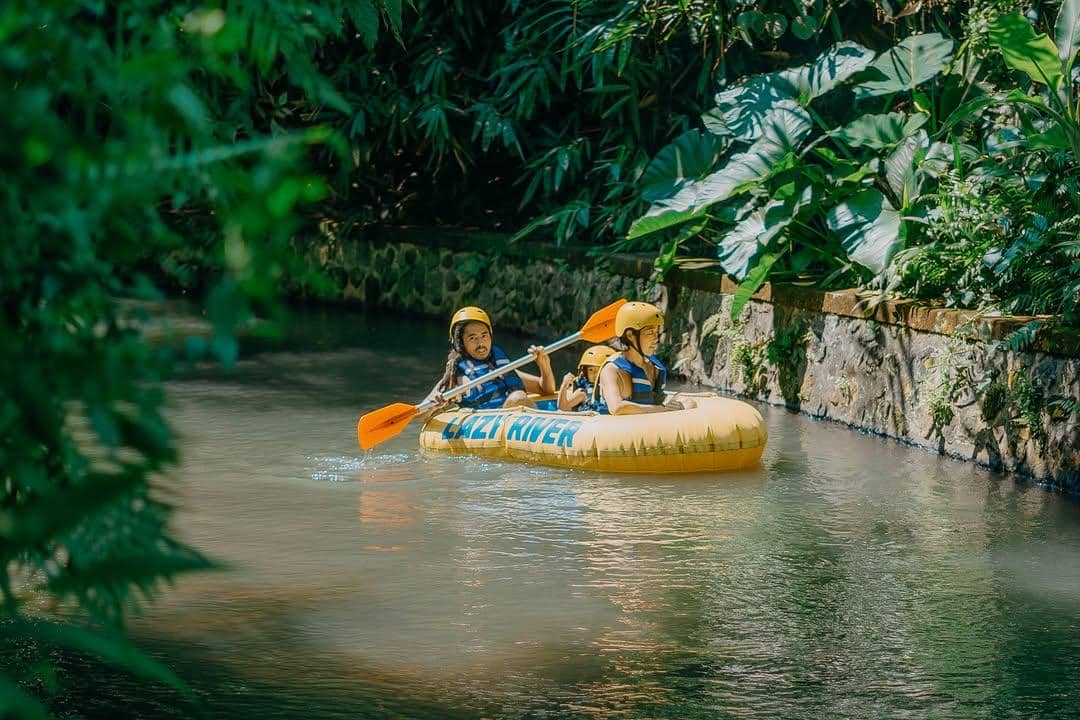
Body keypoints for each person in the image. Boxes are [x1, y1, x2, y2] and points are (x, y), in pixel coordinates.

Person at [420, 306, 555, 420]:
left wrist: (544, 365)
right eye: (473, 338)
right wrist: (434, 406)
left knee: (518, 397)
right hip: (489, 425)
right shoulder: (456, 380)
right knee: (518, 398)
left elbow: (545, 389)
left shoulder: (501, 369)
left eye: (484, 336)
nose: (481, 344)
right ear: (460, 343)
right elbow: (419, 415)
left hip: (515, 420)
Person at [592, 301, 697, 415]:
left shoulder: (653, 367)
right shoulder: (612, 371)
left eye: (656, 332)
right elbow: (617, 408)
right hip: (615, 429)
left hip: (647, 424)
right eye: (649, 333)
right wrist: (662, 410)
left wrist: (675, 406)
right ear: (630, 335)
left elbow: (659, 400)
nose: (656, 339)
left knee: (690, 403)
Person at [557, 345, 616, 411]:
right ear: (585, 372)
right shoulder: (582, 393)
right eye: (591, 370)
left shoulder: (614, 389)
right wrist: (564, 385)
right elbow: (563, 407)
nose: (595, 374)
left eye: (599, 369)